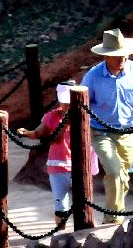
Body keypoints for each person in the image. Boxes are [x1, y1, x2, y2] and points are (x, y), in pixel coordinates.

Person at [82, 28, 133, 223]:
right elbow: (83, 104)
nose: (122, 58)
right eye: (117, 55)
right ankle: (114, 219)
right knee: (115, 172)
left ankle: (113, 214)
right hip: (102, 132)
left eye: (124, 54)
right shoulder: (93, 76)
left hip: (128, 133)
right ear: (107, 57)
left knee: (123, 177)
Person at [16, 79, 98, 227]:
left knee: (83, 201)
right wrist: (27, 133)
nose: (65, 104)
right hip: (58, 165)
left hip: (79, 167)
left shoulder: (87, 115)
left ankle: (83, 229)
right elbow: (42, 134)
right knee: (60, 203)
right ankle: (60, 231)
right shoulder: (52, 116)